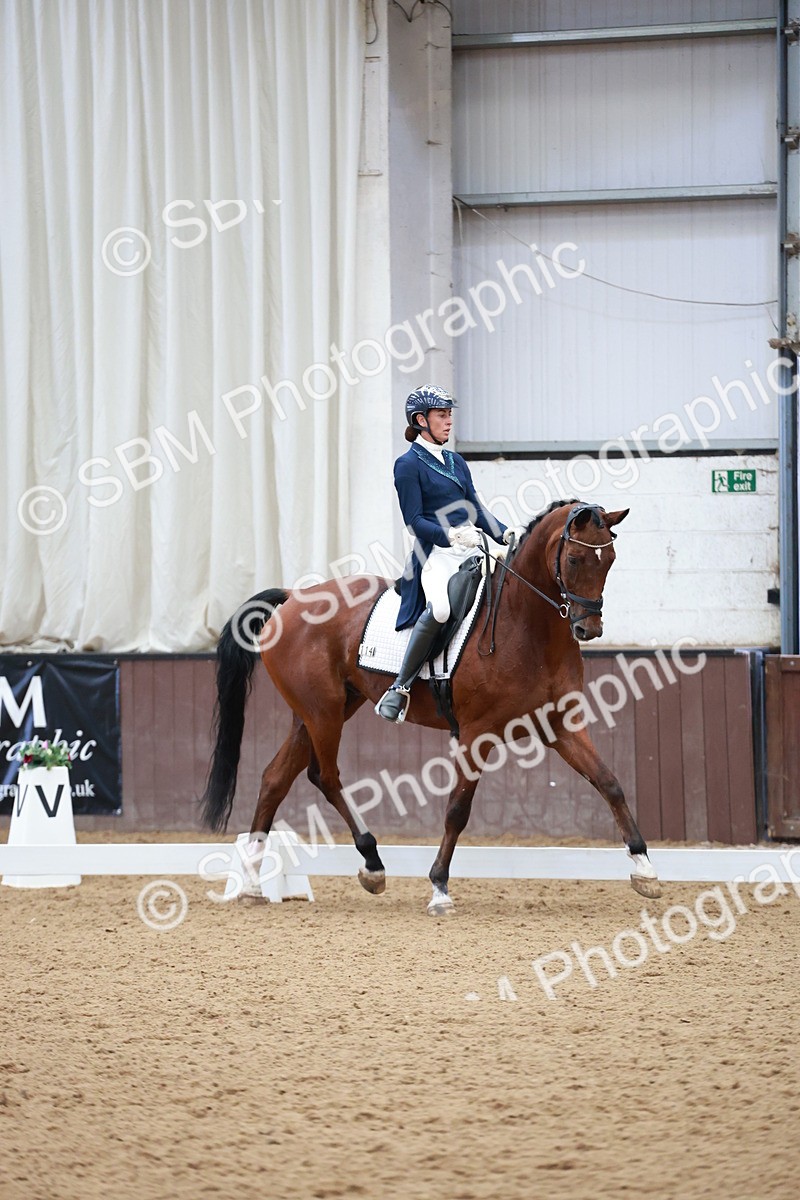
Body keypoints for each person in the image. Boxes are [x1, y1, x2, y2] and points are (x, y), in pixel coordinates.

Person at [375, 385, 524, 723]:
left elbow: (474, 506)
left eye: (449, 415)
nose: (448, 421)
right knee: (441, 609)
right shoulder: (408, 465)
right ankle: (400, 687)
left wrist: (503, 532)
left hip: (470, 550)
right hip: (435, 554)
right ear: (420, 420)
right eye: (442, 415)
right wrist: (452, 534)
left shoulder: (456, 461)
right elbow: (415, 522)